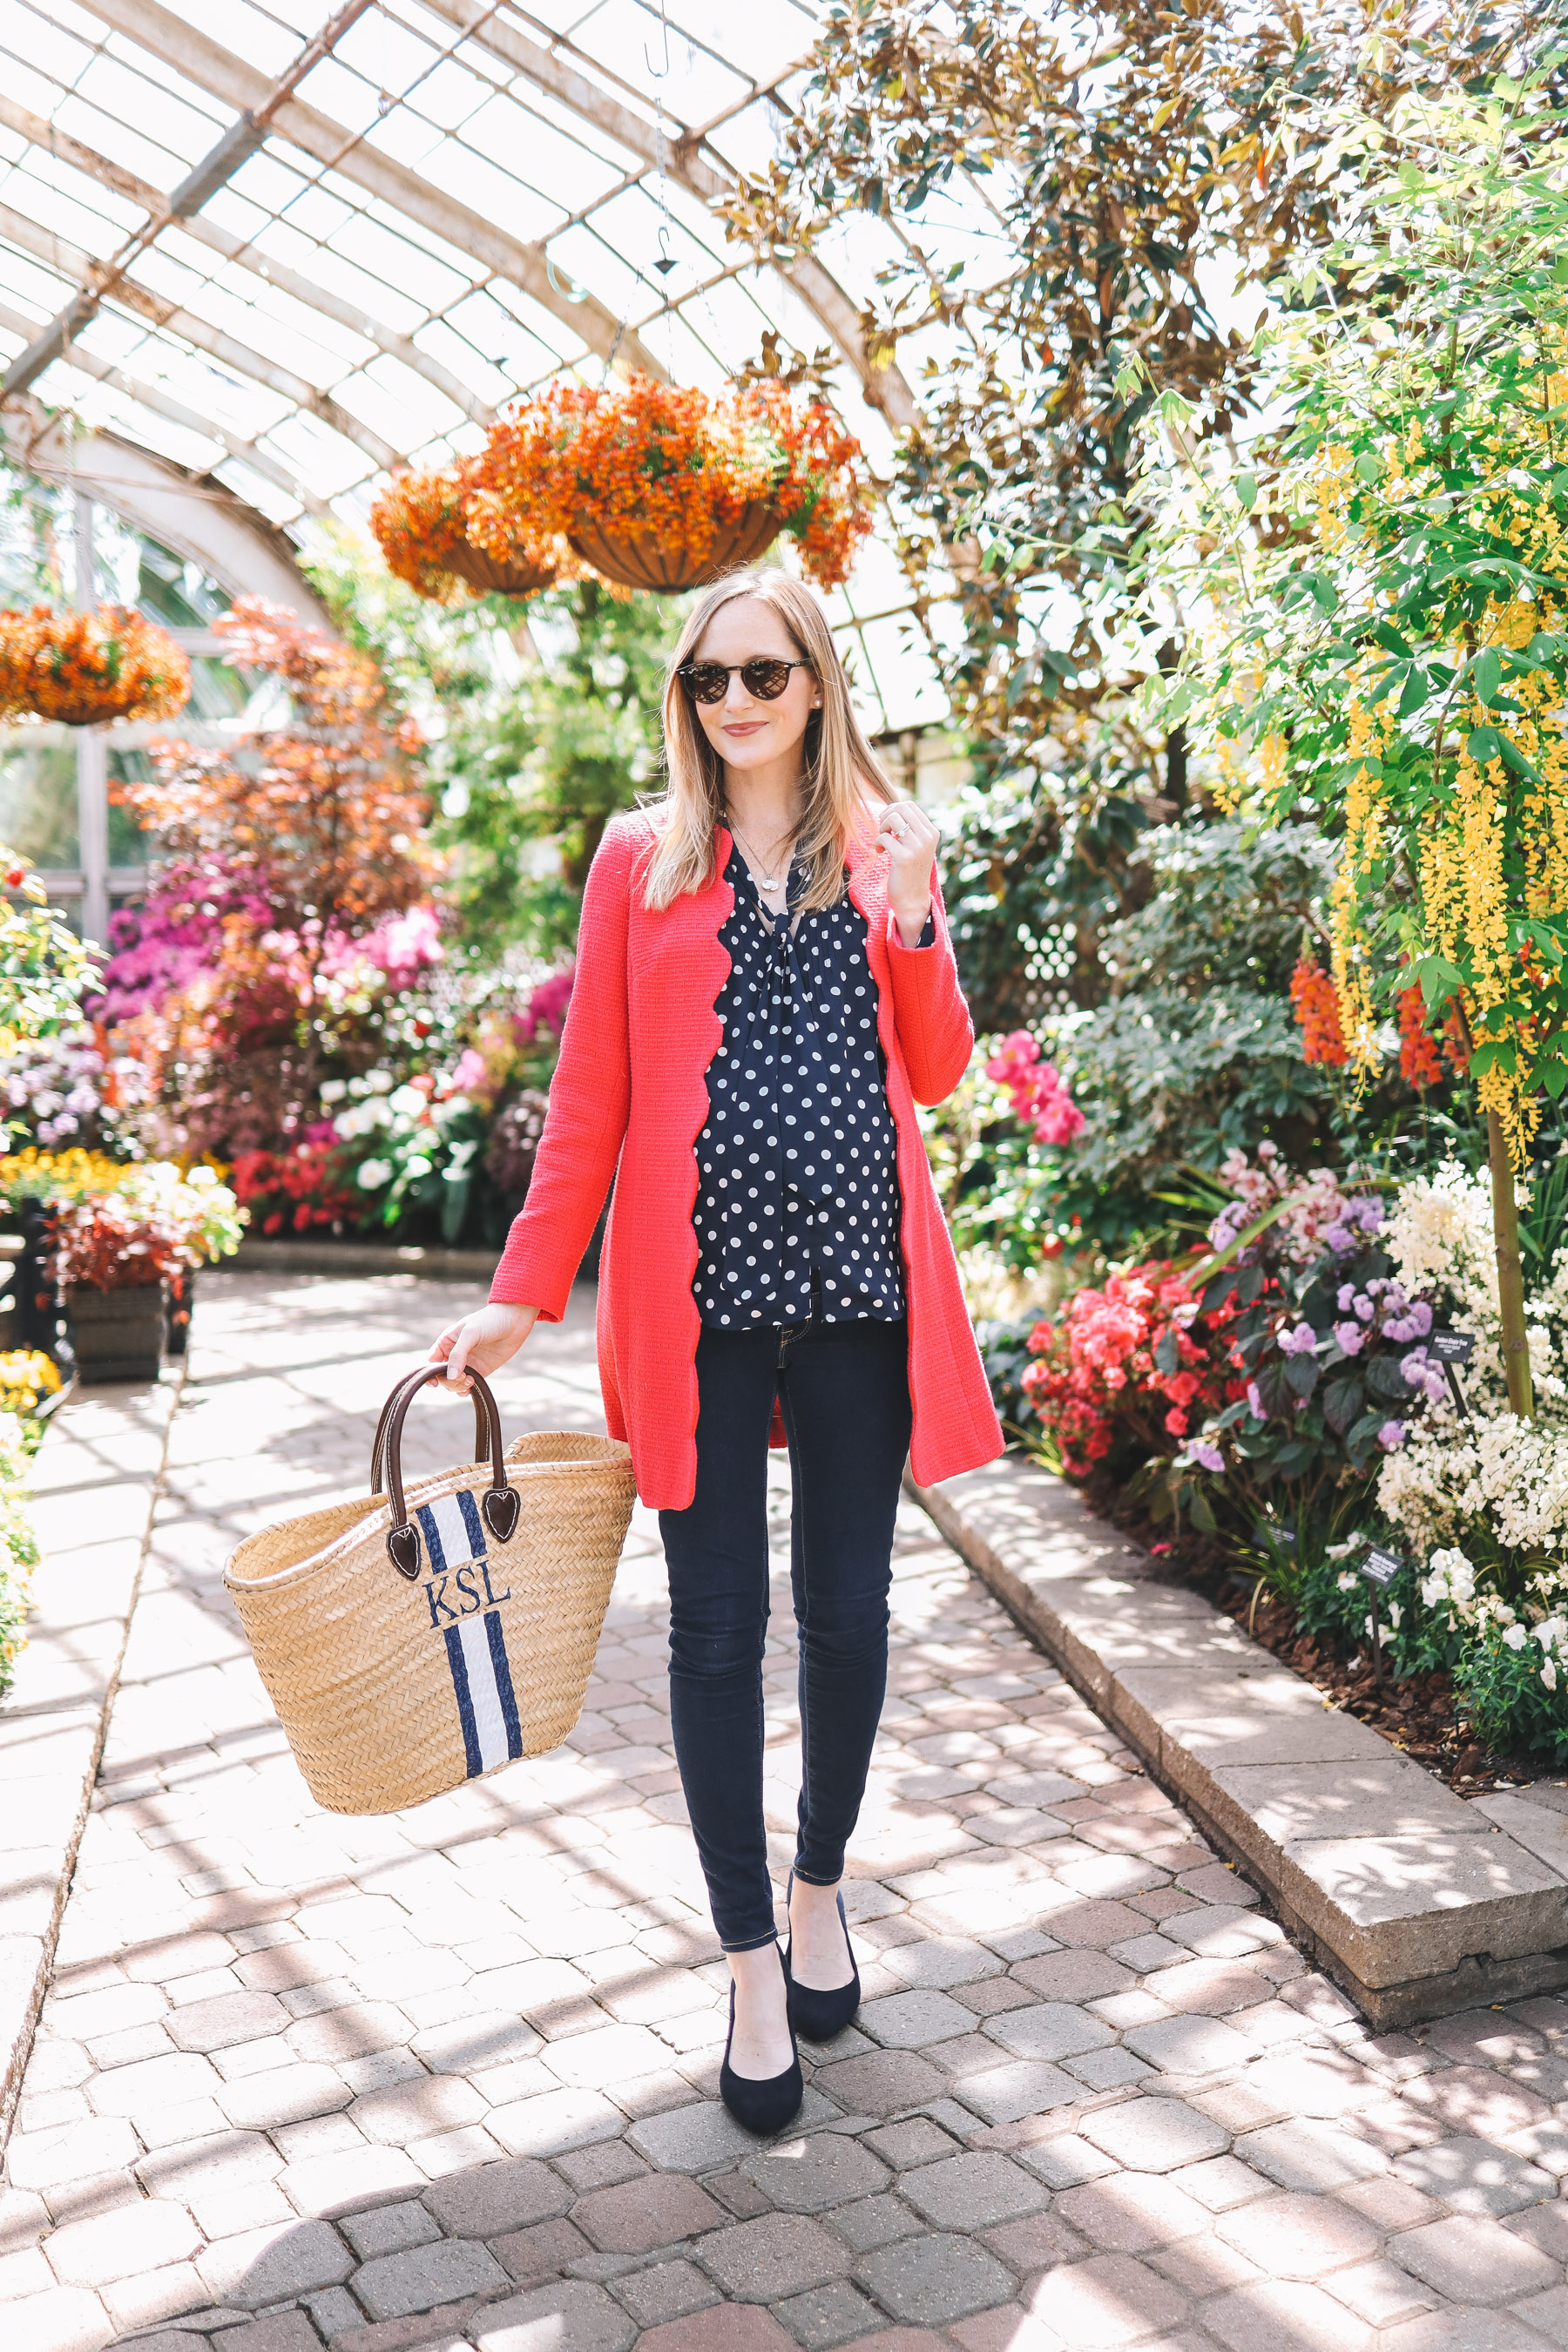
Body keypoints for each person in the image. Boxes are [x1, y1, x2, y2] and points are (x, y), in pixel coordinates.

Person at [429, 568, 1003, 2134]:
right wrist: (522, 1296)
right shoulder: (641, 861)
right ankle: (751, 1958)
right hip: (699, 1302)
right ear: (684, 700)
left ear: (816, 687)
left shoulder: (881, 847)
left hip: (861, 1291)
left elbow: (940, 1069)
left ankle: (821, 1885)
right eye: (706, 681)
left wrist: (918, 917)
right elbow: (590, 1104)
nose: (733, 703)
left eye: (762, 676)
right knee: (711, 1634)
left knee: (849, 1616)